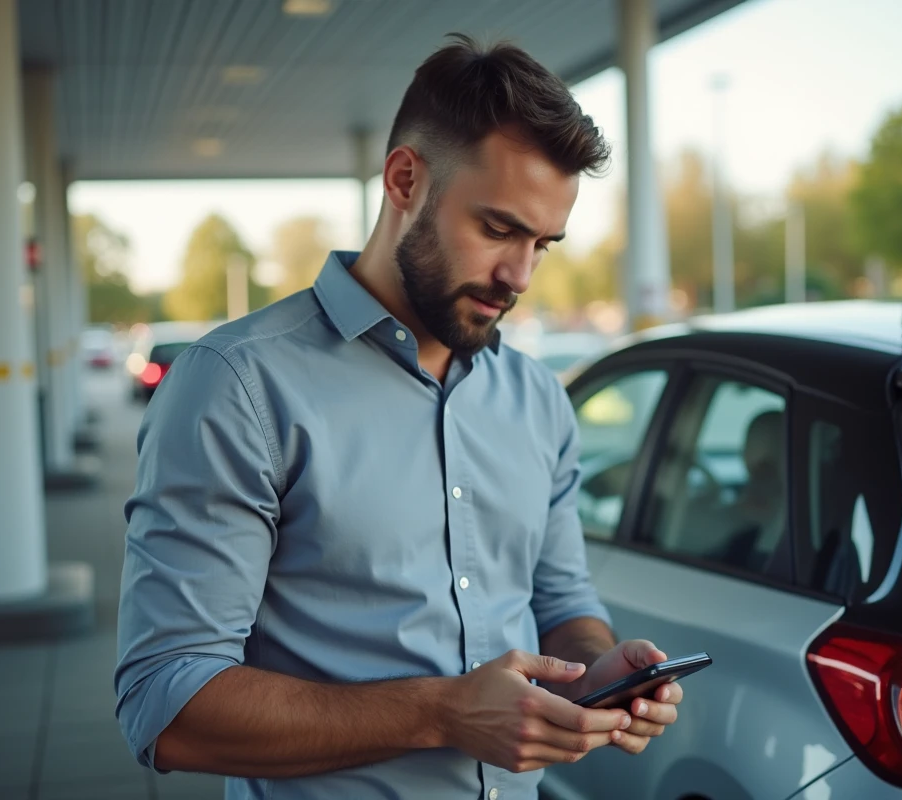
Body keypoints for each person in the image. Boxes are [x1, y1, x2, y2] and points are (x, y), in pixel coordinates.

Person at [114, 32, 683, 800]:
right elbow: (167, 703)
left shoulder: (538, 397)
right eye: (498, 229)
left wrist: (598, 671)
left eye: (543, 244)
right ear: (405, 179)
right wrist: (443, 714)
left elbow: (562, 603)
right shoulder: (236, 386)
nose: (520, 275)